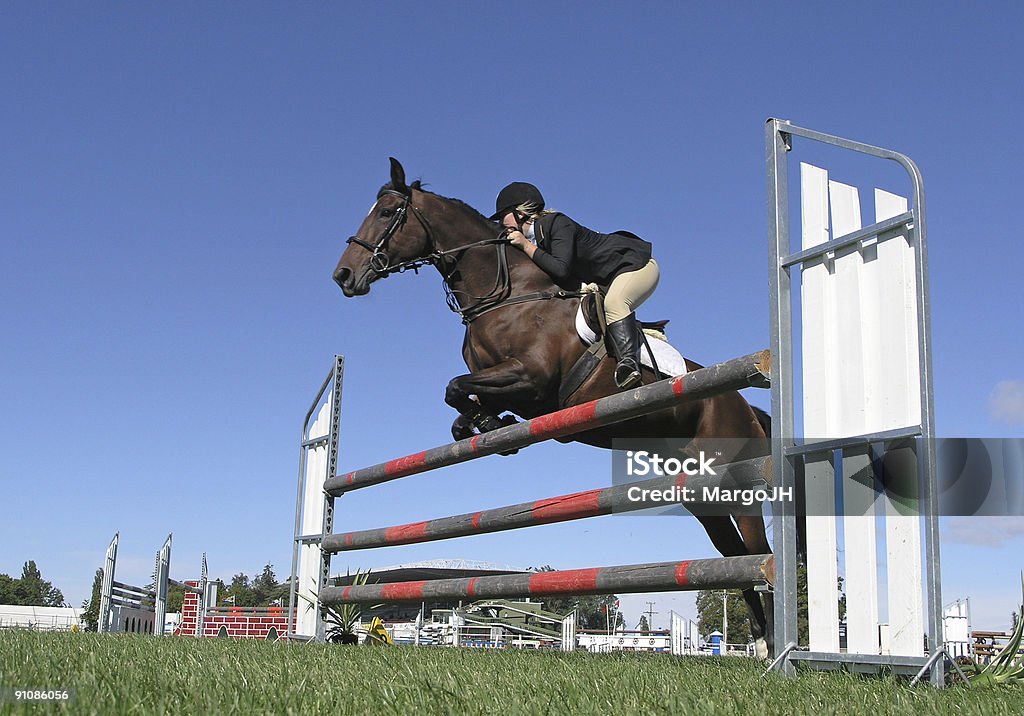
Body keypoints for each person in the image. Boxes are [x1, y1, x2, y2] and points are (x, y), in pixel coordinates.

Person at [490, 181, 660, 390]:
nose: (500, 223)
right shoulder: (535, 241)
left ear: (521, 212)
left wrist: (525, 246)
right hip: (607, 280)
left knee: (615, 303)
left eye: (502, 216)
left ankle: (628, 365)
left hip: (635, 267)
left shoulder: (556, 223)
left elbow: (561, 269)